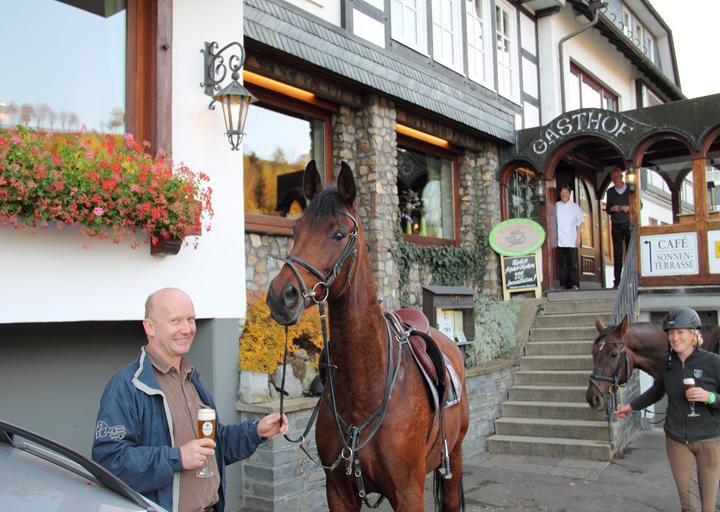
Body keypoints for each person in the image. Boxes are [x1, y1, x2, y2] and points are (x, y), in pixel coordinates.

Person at [92, 288, 288, 512]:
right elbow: (110, 462)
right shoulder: (126, 386)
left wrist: (256, 432)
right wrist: (178, 458)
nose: (186, 329)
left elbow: (214, 444)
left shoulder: (191, 379)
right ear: (150, 327)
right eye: (175, 320)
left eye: (190, 319)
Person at [615, 307, 720, 512]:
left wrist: (710, 397)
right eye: (670, 333)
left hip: (709, 440)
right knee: (690, 505)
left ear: (693, 334)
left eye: (680, 332)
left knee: (707, 507)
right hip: (677, 439)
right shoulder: (666, 362)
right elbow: (657, 391)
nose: (674, 338)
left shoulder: (712, 362)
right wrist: (631, 406)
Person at [606, 166, 631, 288]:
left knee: (630, 252)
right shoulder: (610, 192)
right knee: (617, 253)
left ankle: (631, 279)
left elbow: (639, 205)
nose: (615, 179)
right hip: (616, 224)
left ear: (622, 176)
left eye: (617, 176)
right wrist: (613, 208)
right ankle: (617, 281)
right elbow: (607, 209)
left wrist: (629, 208)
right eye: (613, 177)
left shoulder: (630, 189)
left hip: (628, 223)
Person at [555, 184, 584, 290]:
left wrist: (578, 238)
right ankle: (562, 284)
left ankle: (573, 284)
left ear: (570, 194)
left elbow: (579, 224)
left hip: (572, 239)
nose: (563, 194)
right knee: (562, 263)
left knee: (572, 263)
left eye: (566, 192)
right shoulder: (556, 206)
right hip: (559, 239)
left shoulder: (575, 207)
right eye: (562, 192)